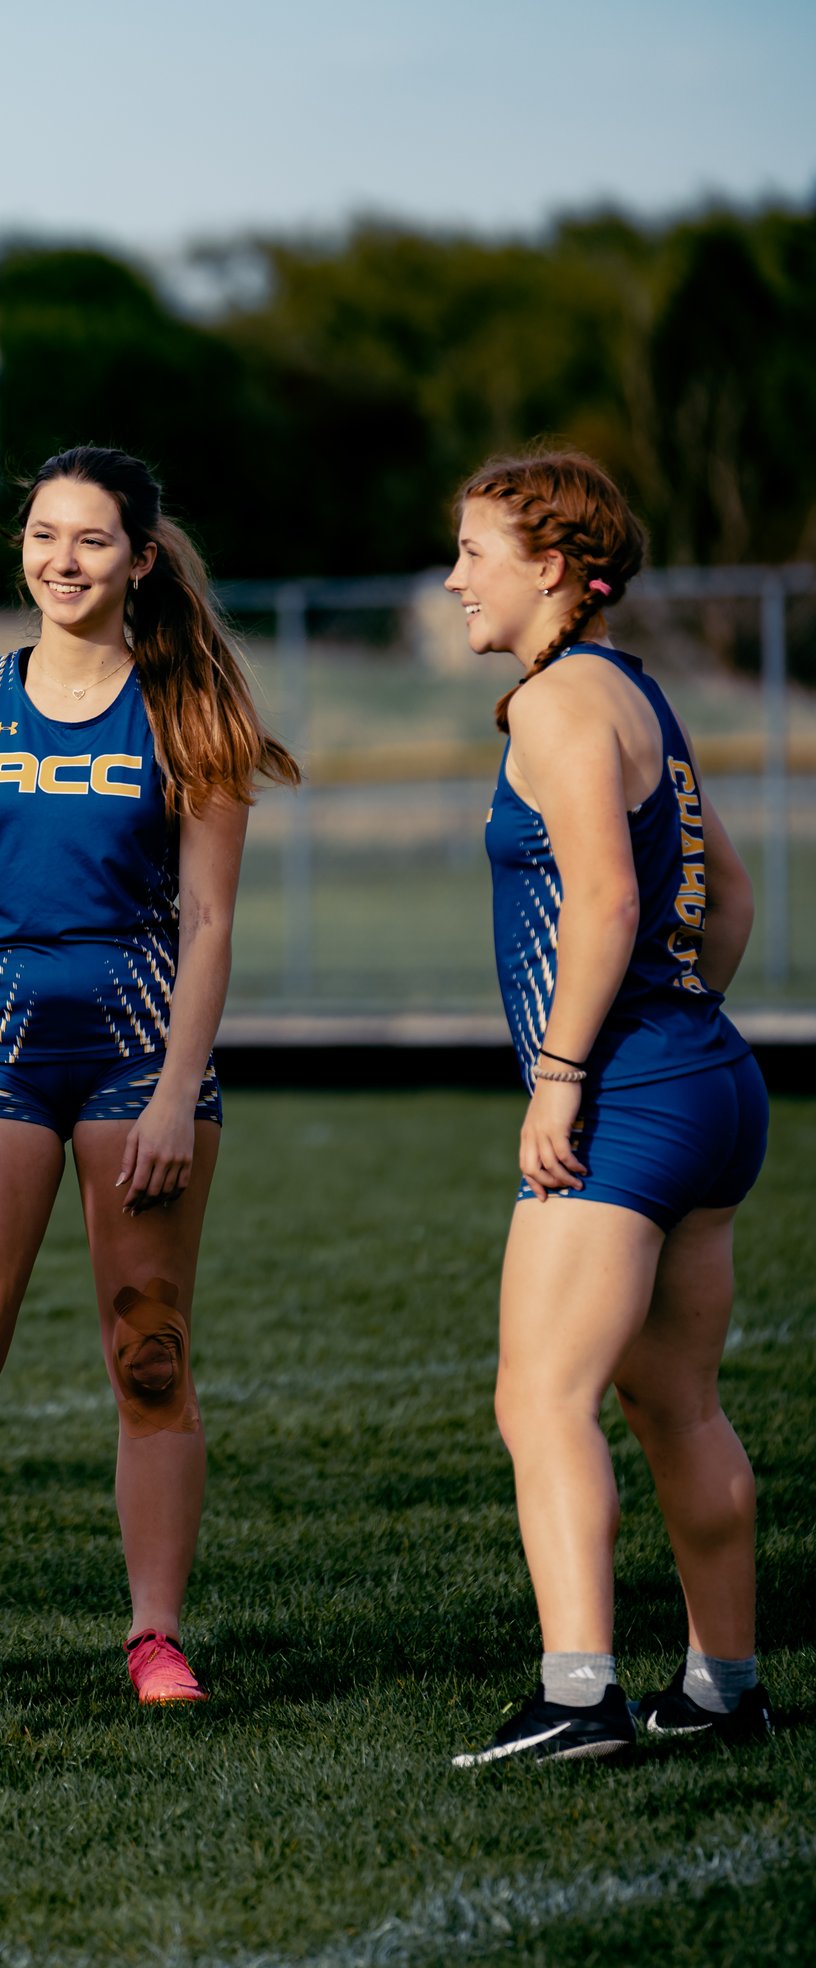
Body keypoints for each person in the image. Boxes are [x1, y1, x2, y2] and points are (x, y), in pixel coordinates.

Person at [0, 446, 296, 1705]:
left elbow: (208, 925)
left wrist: (172, 1094)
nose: (62, 561)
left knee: (150, 1358)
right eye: (43, 535)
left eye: (91, 540)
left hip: (143, 1068)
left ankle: (154, 1638)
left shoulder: (187, 705)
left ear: (140, 558)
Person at [445, 448, 771, 1768]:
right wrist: (673, 1021)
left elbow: (611, 901)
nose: (456, 575)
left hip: (629, 1098)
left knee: (541, 1400)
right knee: (675, 1402)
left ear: (553, 570)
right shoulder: (633, 695)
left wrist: (574, 1070)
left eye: (475, 551)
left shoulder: (559, 709)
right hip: (707, 1083)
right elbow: (729, 898)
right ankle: (723, 1686)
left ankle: (579, 1697)